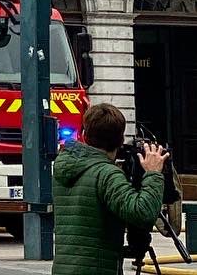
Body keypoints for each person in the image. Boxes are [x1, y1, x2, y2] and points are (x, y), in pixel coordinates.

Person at [51, 101, 167, 275]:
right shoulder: (106, 174)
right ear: (120, 140)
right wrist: (153, 174)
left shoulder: (64, 167)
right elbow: (142, 213)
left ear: (84, 134)